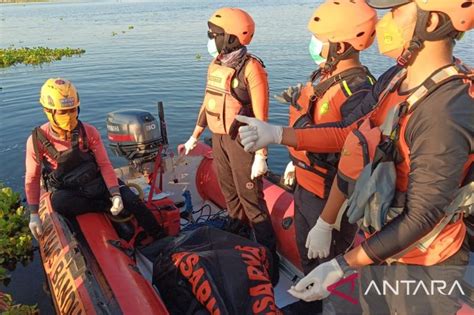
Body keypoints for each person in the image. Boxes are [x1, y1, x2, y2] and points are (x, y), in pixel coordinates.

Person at [277, 1, 471, 314]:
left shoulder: (445, 112)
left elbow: (422, 216)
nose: (383, 23)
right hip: (381, 249)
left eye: (395, 12)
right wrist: (276, 135)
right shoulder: (396, 78)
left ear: (432, 22)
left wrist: (340, 265)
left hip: (424, 265)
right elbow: (347, 136)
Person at [179, 8, 279, 284]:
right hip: (220, 139)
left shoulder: (251, 68)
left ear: (232, 38)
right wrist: (194, 136)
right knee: (230, 195)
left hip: (243, 141)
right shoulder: (217, 63)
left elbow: (261, 116)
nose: (210, 39)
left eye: (215, 35)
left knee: (252, 202)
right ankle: (239, 245)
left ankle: (270, 261)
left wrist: (262, 155)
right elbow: (208, 102)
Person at [26, 78, 165, 241]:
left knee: (132, 200)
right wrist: (34, 213)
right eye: (63, 112)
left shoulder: (88, 132)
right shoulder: (37, 140)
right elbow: (32, 178)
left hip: (94, 180)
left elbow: (104, 165)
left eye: (72, 110)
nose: (69, 116)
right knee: (59, 203)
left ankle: (160, 236)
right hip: (69, 189)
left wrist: (115, 194)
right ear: (48, 111)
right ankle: (103, 207)